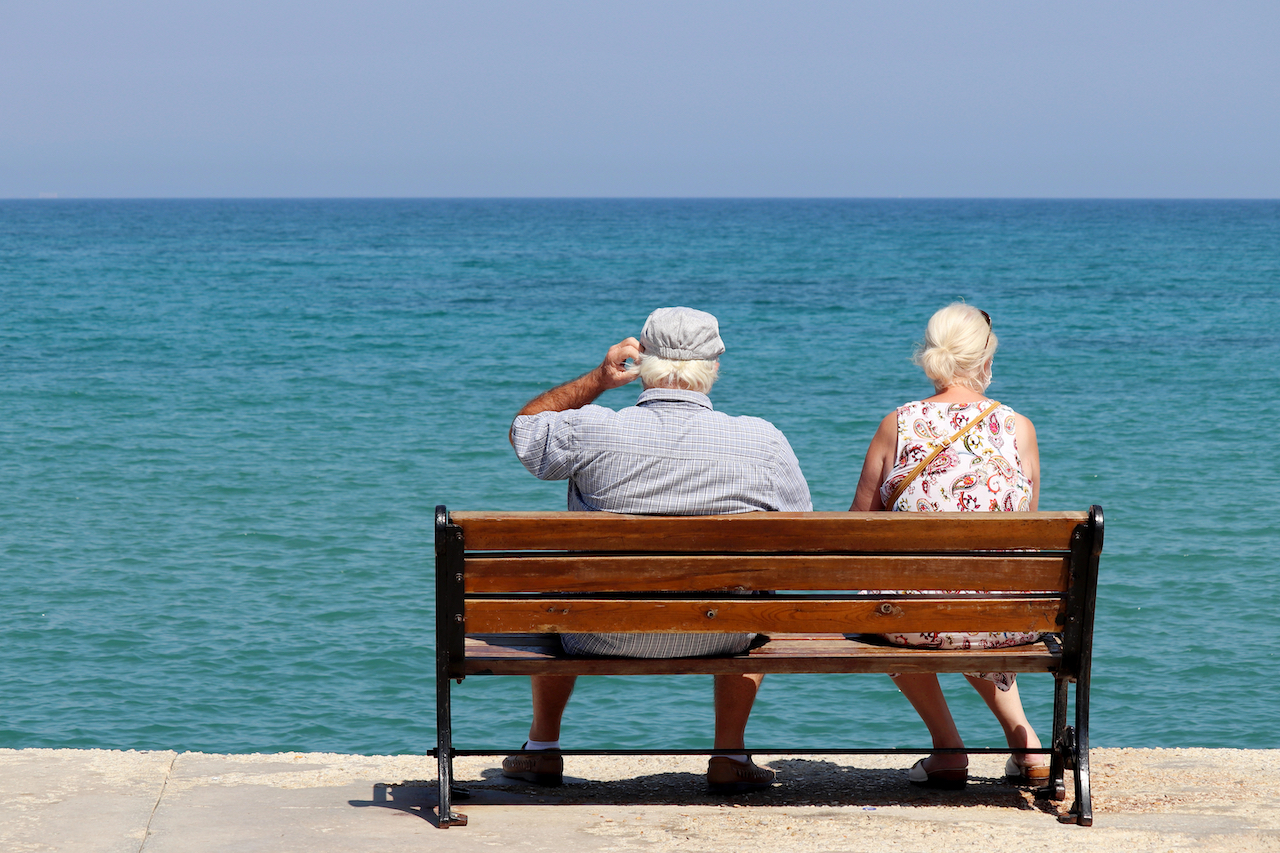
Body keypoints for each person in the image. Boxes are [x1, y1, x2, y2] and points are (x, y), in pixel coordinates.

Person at [505, 306, 812, 793]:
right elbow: (799, 538)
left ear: (640, 361)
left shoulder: (592, 427)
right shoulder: (761, 440)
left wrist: (599, 380)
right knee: (755, 590)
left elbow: (525, 430)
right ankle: (729, 753)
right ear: (713, 366)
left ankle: (542, 748)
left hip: (598, 631)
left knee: (561, 587)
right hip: (722, 633)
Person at [849, 302, 1049, 790]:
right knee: (976, 595)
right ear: (986, 358)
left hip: (912, 622)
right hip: (1001, 623)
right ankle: (1027, 746)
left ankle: (948, 748)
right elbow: (1024, 533)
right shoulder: (1017, 428)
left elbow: (856, 531)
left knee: (895, 603)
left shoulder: (899, 423)